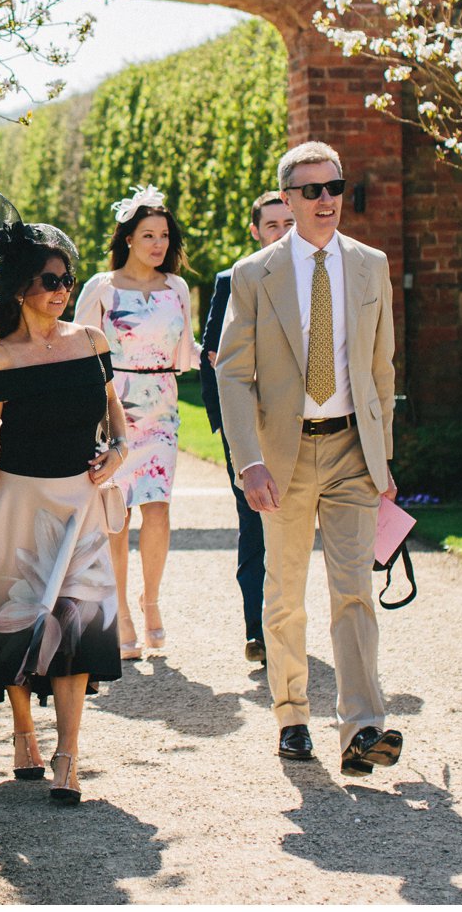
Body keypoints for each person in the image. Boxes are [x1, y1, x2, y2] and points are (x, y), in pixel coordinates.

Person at [0, 197, 128, 805]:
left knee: (78, 626)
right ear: (20, 287)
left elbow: (117, 420)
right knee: (17, 623)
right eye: (50, 281)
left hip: (81, 505)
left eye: (67, 278)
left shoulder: (91, 341)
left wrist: (114, 455)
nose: (62, 289)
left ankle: (68, 757)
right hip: (17, 505)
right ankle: (23, 732)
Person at [216, 141, 404, 776]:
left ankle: (363, 725)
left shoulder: (370, 265)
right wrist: (249, 461)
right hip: (283, 454)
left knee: (354, 592)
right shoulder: (254, 274)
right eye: (313, 190)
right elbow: (233, 376)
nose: (327, 200)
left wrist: (383, 460)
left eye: (336, 188)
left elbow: (381, 369)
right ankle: (292, 714)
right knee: (286, 591)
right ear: (288, 200)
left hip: (353, 449)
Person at [74, 185, 202, 660]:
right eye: (147, 235)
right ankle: (121, 611)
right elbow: (80, 354)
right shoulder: (101, 288)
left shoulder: (177, 289)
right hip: (114, 408)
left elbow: (184, 354)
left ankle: (152, 603)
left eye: (164, 236)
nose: (158, 244)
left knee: (159, 508)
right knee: (117, 514)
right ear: (127, 237)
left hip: (163, 409)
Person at [201, 190, 296, 666]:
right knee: (254, 529)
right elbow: (216, 357)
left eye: (288, 223)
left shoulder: (316, 280)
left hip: (303, 427)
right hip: (249, 428)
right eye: (272, 225)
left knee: (294, 529)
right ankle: (257, 629)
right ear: (256, 231)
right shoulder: (232, 279)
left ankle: (284, 623)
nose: (281, 232)